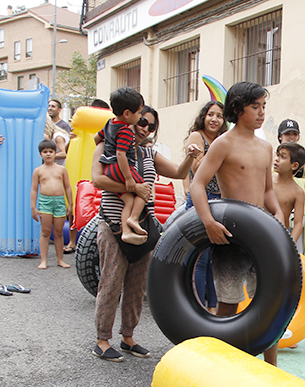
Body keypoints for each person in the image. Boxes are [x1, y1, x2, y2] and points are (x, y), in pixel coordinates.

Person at [90, 104, 196, 361]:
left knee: (137, 287)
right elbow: (97, 179)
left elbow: (179, 172)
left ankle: (128, 337)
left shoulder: (150, 153)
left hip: (142, 228)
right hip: (113, 225)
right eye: (142, 122)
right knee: (111, 283)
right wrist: (135, 188)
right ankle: (102, 340)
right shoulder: (107, 146)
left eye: (150, 125)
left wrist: (191, 156)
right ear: (132, 119)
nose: (144, 128)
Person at [190, 81, 285, 366]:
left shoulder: (266, 147)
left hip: (263, 234)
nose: (261, 112)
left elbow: (268, 190)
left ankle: (272, 368)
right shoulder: (223, 144)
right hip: (232, 234)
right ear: (237, 109)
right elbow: (198, 184)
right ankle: (220, 367)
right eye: (254, 107)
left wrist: (278, 213)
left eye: (263, 107)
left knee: (268, 303)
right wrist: (208, 222)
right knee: (228, 303)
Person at [181, 100, 229, 312]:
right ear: (204, 116)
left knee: (215, 259)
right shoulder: (197, 137)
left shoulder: (223, 140)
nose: (214, 119)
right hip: (201, 197)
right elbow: (197, 166)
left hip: (220, 198)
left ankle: (213, 307)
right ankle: (200, 307)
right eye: (211, 114)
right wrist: (218, 152)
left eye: (219, 116)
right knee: (201, 258)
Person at [98, 87, 149, 245]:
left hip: (108, 167)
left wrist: (106, 148)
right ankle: (133, 218)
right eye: (139, 113)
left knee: (128, 199)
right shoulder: (126, 131)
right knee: (144, 190)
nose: (140, 116)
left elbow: (96, 138)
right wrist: (129, 180)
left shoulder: (109, 123)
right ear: (127, 113)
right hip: (119, 167)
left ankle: (126, 231)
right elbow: (121, 154)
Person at [31, 139, 74, 269]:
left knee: (59, 232)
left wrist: (70, 204)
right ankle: (43, 260)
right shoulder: (38, 171)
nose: (48, 154)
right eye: (45, 152)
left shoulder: (61, 169)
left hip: (59, 201)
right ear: (40, 154)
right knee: (45, 231)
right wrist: (33, 207)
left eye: (51, 151)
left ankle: (60, 259)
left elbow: (68, 187)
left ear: (55, 153)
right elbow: (34, 189)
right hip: (45, 202)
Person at [278, 118, 305, 253]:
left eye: (294, 134)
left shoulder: (303, 163)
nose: (291, 137)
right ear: (280, 137)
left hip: (293, 226)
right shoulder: (274, 169)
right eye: (287, 134)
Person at [273, 142, 305, 247]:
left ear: (294, 165)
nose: (277, 159)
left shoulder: (298, 192)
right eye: (277, 155)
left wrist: (290, 245)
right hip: (260, 230)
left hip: (281, 236)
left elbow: (298, 223)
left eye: (283, 157)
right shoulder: (266, 180)